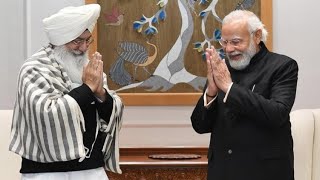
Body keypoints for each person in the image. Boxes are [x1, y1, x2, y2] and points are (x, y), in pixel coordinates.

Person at [9, 4, 124, 180]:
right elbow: (47, 113)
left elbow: (109, 116)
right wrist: (87, 89)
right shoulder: (34, 69)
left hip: (91, 169)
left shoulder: (89, 68)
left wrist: (101, 94)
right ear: (59, 40)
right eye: (77, 41)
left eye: (87, 40)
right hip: (46, 172)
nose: (84, 47)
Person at [191, 10, 298, 180]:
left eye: (235, 42)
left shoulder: (282, 66)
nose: (229, 49)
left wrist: (229, 88)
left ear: (256, 36)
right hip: (223, 171)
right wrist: (211, 92)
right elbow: (200, 126)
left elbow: (277, 114)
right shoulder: (222, 67)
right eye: (224, 42)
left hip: (264, 172)